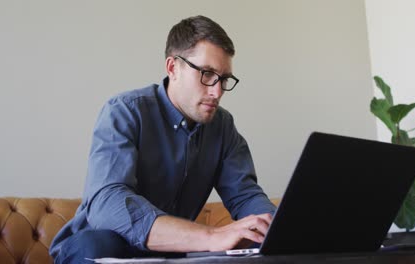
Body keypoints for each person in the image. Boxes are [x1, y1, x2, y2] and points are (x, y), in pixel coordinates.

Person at [50, 15, 276, 263]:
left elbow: (245, 196)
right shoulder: (124, 111)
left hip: (171, 252)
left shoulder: (223, 127)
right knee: (94, 246)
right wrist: (210, 236)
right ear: (172, 68)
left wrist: (277, 231)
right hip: (98, 246)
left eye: (223, 79)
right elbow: (108, 203)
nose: (217, 91)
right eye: (207, 74)